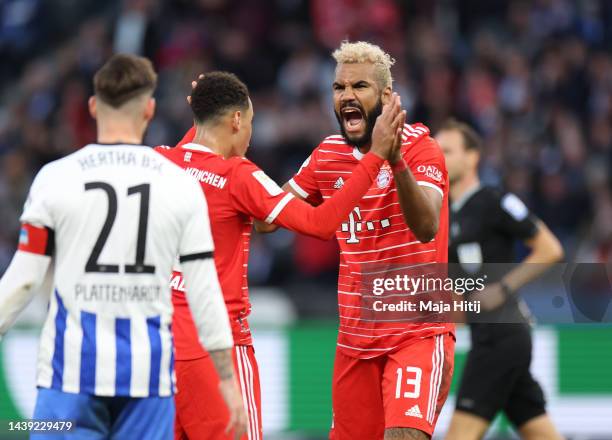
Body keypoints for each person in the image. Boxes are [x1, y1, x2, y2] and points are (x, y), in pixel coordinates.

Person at [0, 54, 246, 439]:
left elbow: (23, 281)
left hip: (69, 376)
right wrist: (227, 379)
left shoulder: (55, 178)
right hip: (147, 381)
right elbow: (203, 291)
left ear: (94, 106)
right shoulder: (179, 184)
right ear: (149, 110)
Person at [156, 71, 404, 440]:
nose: (252, 135)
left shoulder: (161, 161)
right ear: (237, 120)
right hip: (217, 347)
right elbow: (320, 223)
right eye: (251, 122)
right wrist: (375, 158)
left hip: (158, 348)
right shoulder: (238, 176)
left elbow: (192, 150)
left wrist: (203, 110)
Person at [259, 41, 455, 440]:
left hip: (415, 333)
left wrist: (394, 158)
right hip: (355, 341)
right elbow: (267, 220)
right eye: (339, 88)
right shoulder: (326, 157)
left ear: (386, 96)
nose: (347, 95)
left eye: (359, 87)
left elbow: (426, 226)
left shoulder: (421, 149)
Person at [435, 119, 564, 440]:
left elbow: (549, 248)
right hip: (489, 336)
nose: (440, 158)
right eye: (436, 152)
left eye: (448, 151)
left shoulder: (493, 201)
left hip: (502, 335)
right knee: (541, 433)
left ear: (472, 156)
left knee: (459, 436)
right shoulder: (444, 216)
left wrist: (502, 288)